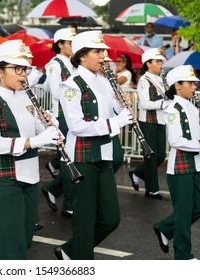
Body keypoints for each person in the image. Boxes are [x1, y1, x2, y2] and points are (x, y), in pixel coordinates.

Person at [0, 40, 60, 259]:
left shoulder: (27, 96)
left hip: (29, 175)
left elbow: (39, 128)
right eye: (18, 69)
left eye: (26, 69)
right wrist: (35, 141)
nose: (24, 75)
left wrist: (50, 125)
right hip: (2, 178)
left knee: (24, 239)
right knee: (12, 247)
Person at [55, 30, 133, 260]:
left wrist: (122, 105)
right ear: (81, 56)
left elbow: (114, 111)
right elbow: (77, 126)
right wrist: (115, 122)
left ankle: (70, 250)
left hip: (103, 155)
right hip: (82, 158)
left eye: (103, 52)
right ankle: (80, 259)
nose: (103, 56)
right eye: (97, 52)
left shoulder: (105, 81)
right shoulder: (71, 85)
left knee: (111, 218)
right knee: (85, 219)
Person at [153, 65, 200, 260]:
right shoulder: (173, 109)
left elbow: (197, 133)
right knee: (184, 213)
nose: (195, 87)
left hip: (195, 163)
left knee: (199, 208)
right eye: (191, 83)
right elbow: (176, 141)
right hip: (180, 167)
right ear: (178, 86)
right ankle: (183, 256)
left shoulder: (192, 106)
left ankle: (164, 227)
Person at [42, 27, 76, 216]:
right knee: (68, 158)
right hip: (63, 115)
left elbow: (47, 86)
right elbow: (55, 93)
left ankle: (54, 189)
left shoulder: (71, 63)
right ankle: (68, 204)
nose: (72, 46)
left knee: (73, 158)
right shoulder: (55, 65)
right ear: (60, 44)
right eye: (69, 43)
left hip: (72, 114)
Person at [128, 48, 169, 199]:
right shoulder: (144, 81)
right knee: (151, 157)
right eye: (158, 62)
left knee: (160, 156)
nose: (160, 64)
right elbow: (145, 104)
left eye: (161, 61)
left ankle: (137, 173)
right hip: (149, 122)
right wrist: (163, 103)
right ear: (148, 63)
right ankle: (152, 190)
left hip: (160, 120)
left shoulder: (159, 79)